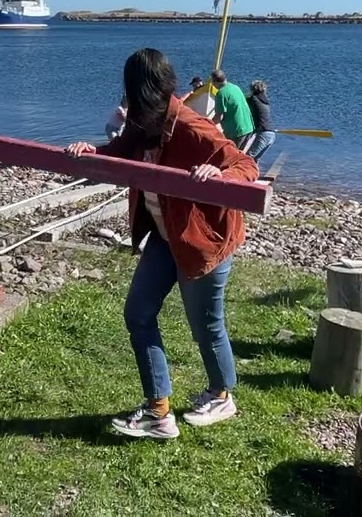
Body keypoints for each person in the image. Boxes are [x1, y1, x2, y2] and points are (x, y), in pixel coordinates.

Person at [65, 48, 259, 439]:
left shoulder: (190, 126)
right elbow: (119, 153)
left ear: (159, 92)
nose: (139, 108)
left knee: (205, 324)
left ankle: (222, 395)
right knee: (138, 313)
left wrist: (218, 174)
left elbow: (246, 165)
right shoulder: (141, 121)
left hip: (202, 239)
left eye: (144, 99)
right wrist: (92, 151)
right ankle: (158, 411)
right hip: (164, 234)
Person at [209, 69, 256, 153]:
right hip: (248, 127)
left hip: (236, 132)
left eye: (212, 81)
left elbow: (219, 117)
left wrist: (208, 125)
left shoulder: (221, 93)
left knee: (229, 155)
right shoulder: (235, 87)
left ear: (215, 81)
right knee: (238, 155)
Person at [247, 80, 276, 160]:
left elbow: (242, 101)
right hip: (271, 134)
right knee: (255, 159)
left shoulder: (253, 99)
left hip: (263, 133)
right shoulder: (265, 100)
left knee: (247, 158)